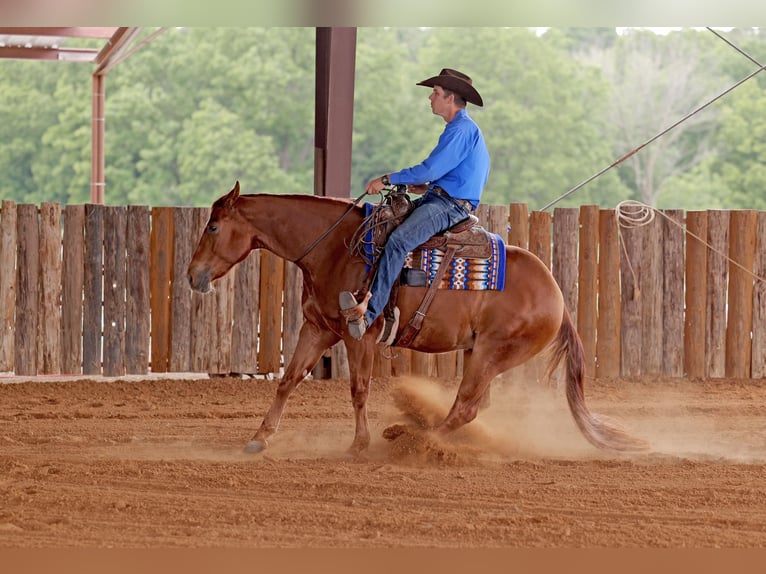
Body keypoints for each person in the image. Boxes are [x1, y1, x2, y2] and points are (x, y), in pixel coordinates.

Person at [340, 68, 491, 340]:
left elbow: (428, 169)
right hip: (442, 198)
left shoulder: (461, 130)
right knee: (384, 227)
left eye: (435, 93)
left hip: (450, 205)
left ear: (450, 98)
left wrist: (387, 179)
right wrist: (427, 187)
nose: (430, 98)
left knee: (398, 241)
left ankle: (370, 313)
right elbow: (445, 173)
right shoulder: (460, 129)